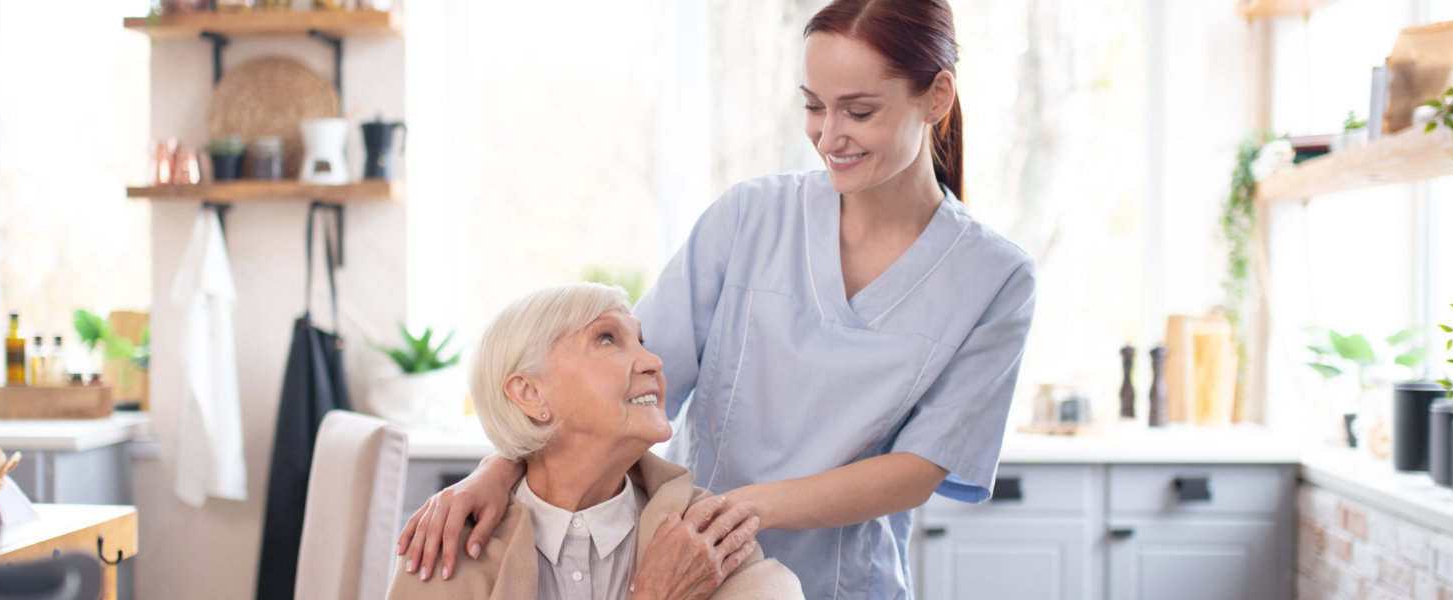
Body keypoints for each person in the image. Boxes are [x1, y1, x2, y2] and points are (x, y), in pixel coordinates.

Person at [399, 1, 1036, 598]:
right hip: (692, 572)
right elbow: (626, 388)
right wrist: (497, 469)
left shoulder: (995, 279)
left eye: (859, 111)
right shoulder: (750, 217)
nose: (828, 135)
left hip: (833, 580)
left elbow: (919, 468)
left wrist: (733, 512)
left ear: (937, 97)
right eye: (814, 106)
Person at [388, 283, 802, 600]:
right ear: (530, 394)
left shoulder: (707, 547)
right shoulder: (445, 551)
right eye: (607, 339)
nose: (653, 362)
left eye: (642, 342)